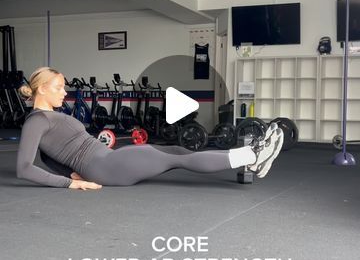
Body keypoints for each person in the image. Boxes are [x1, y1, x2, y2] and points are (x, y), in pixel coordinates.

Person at [16, 67, 284, 190]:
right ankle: (251, 155)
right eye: (59, 87)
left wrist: (71, 172)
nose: (65, 92)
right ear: (41, 89)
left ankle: (252, 163)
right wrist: (69, 183)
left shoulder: (50, 117)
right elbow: (25, 168)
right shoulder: (37, 120)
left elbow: (47, 154)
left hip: (107, 161)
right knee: (174, 158)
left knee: (176, 150)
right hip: (106, 167)